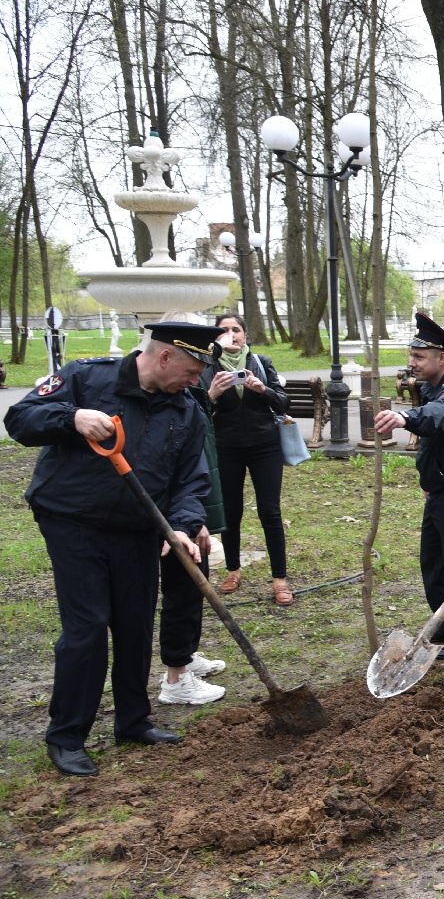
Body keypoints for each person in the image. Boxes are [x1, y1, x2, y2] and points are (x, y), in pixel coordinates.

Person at [4, 322, 216, 776]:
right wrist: (71, 418)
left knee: (135, 622)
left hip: (140, 529)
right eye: (192, 369)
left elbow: (190, 479)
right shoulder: (85, 379)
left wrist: (181, 526)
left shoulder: (187, 411)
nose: (196, 380)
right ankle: (67, 736)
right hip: (73, 522)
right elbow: (19, 420)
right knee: (88, 626)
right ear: (163, 358)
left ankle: (133, 721)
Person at [374, 313, 444, 660]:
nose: (412, 363)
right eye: (411, 355)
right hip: (441, 491)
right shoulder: (432, 387)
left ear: (443, 358)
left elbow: (443, 415)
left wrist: (406, 417)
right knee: (435, 565)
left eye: (419, 356)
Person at [157, 312, 230, 707]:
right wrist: (184, 521)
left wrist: (198, 518)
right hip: (170, 516)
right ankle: (175, 677)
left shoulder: (186, 395)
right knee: (183, 584)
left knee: (193, 579)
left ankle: (184, 656)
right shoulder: (164, 395)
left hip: (190, 508)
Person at [207, 314, 294, 606]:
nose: (231, 335)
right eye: (224, 330)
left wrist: (262, 389)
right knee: (231, 513)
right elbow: (195, 409)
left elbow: (283, 402)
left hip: (264, 446)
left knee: (270, 511)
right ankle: (233, 570)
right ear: (216, 337)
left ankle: (279, 578)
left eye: (236, 330)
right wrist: (213, 394)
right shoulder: (208, 365)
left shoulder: (260, 362)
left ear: (245, 335)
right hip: (226, 447)